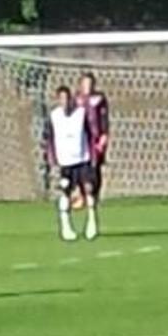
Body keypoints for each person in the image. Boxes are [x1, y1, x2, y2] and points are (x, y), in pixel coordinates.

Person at [43, 85, 99, 241]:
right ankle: (66, 227)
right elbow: (48, 139)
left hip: (83, 159)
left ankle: (92, 222)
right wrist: (51, 159)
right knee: (65, 192)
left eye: (67, 99)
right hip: (65, 162)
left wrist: (93, 156)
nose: (65, 102)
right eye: (61, 99)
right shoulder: (54, 116)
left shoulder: (81, 114)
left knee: (89, 189)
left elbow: (90, 134)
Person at [76, 71, 111, 205]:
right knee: (79, 166)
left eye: (90, 84)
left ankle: (94, 195)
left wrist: (104, 134)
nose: (88, 86)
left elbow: (104, 118)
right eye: (85, 83)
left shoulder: (99, 99)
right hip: (80, 138)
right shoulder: (76, 100)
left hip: (95, 138)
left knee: (94, 167)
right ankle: (82, 194)